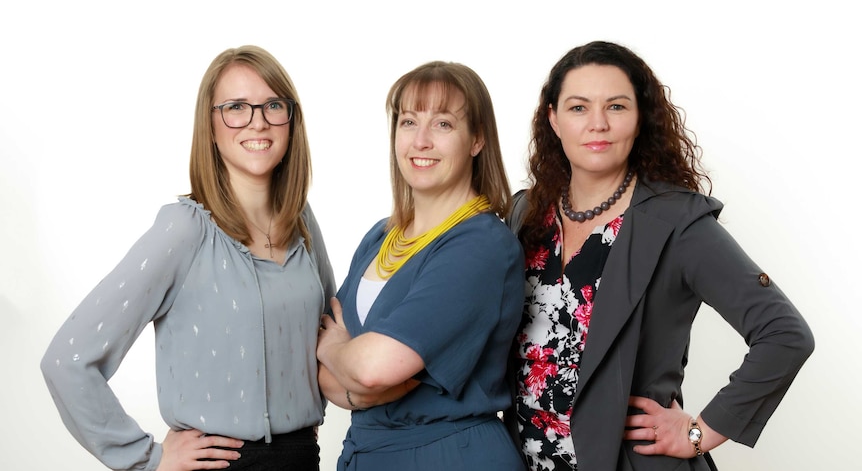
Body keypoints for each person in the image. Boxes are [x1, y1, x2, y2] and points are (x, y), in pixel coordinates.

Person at [504, 40, 814, 471]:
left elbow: (785, 334)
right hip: (523, 459)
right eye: (578, 108)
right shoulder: (525, 212)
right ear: (553, 119)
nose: (598, 124)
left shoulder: (677, 222)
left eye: (616, 106)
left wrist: (700, 433)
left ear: (640, 118)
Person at [41, 45, 335, 471]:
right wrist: (146, 459)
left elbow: (331, 337)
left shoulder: (302, 222)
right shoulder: (185, 228)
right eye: (236, 107)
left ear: (292, 119)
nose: (258, 121)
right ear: (210, 126)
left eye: (273, 105)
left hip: (302, 458)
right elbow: (67, 360)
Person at [315, 61, 526, 471]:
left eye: (443, 124)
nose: (421, 140)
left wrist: (340, 351)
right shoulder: (381, 236)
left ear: (477, 139)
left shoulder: (482, 245)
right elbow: (326, 377)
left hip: (450, 456)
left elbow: (373, 368)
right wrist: (353, 374)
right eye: (409, 121)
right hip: (367, 453)